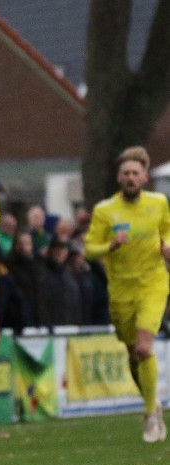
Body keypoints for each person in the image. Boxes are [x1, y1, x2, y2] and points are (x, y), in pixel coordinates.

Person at [85, 145, 169, 443]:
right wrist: (111, 246)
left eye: (136, 173)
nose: (131, 177)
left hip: (154, 285)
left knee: (145, 348)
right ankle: (152, 403)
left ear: (144, 177)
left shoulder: (159, 203)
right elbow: (89, 249)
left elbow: (167, 231)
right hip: (121, 291)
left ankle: (151, 416)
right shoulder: (105, 211)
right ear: (118, 177)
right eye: (126, 173)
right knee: (134, 355)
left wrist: (167, 246)